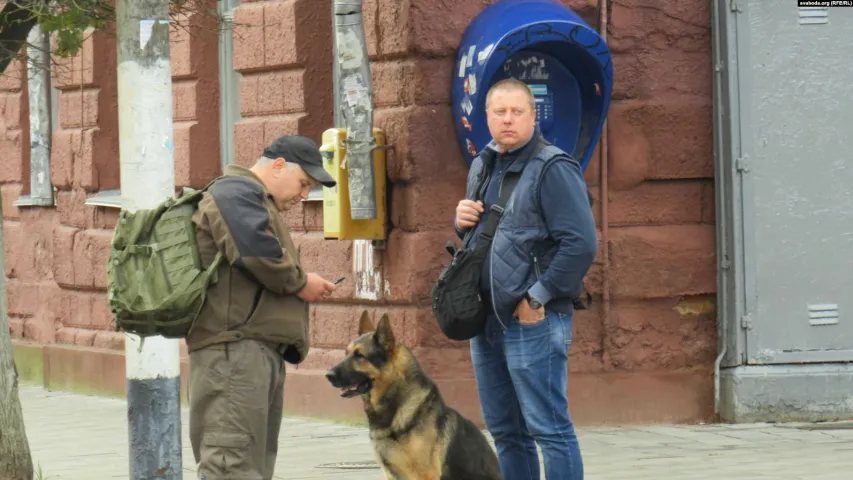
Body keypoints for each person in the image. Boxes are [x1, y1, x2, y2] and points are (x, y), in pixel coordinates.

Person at [454, 78, 598, 480]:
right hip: (486, 320)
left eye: (518, 111)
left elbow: (581, 244)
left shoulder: (553, 167)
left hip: (533, 318)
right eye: (500, 112)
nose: (508, 119)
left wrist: (537, 297)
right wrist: (461, 222)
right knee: (506, 432)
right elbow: (490, 243)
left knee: (549, 429)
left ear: (534, 117)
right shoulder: (482, 164)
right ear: (486, 117)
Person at [187, 134, 339, 479]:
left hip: (249, 351)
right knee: (231, 466)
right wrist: (302, 283)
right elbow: (258, 255)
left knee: (249, 467)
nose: (304, 195)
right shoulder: (237, 191)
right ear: (279, 165)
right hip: (234, 355)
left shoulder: (250, 197)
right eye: (303, 183)